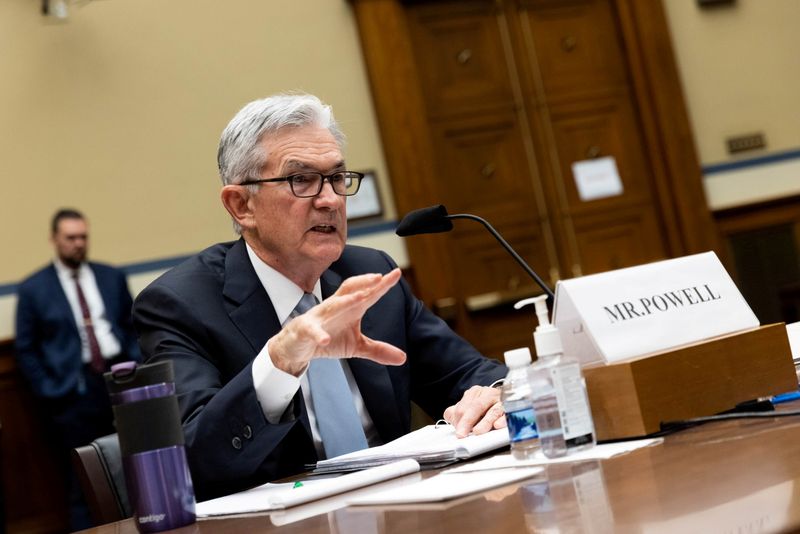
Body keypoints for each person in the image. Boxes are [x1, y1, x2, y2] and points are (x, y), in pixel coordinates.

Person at [133, 93, 508, 501]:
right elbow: (194, 460)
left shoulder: (370, 277)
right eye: (301, 180)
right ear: (241, 205)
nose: (329, 199)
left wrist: (496, 393)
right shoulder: (178, 304)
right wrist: (280, 363)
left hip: (405, 509)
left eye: (336, 178)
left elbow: (468, 374)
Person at [15, 208, 141, 529]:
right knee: (83, 479)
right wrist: (49, 389)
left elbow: (132, 325)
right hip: (73, 393)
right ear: (54, 239)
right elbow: (26, 349)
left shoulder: (110, 276)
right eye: (70, 238)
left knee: (135, 467)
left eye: (83, 237)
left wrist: (134, 361)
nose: (78, 244)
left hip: (119, 380)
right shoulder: (34, 289)